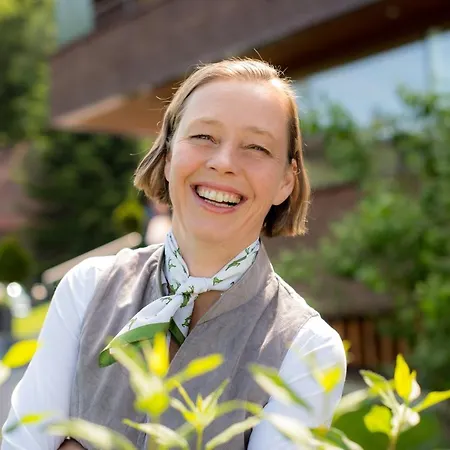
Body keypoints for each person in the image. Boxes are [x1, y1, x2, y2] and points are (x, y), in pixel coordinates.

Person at [2, 58, 346, 449]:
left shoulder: (308, 348)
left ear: (286, 180)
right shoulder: (87, 288)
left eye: (256, 147)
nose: (223, 163)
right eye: (204, 136)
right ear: (168, 157)